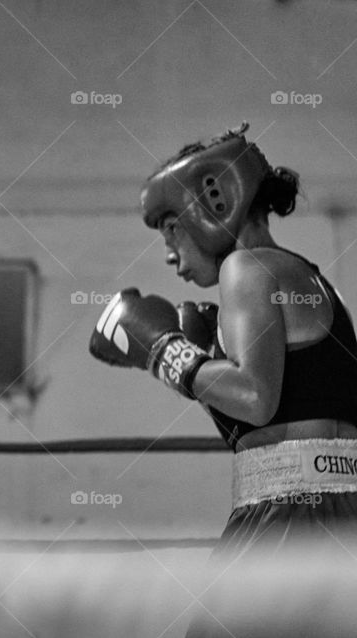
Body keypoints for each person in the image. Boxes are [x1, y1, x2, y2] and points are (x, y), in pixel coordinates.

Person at [88, 124, 357, 633]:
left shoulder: (246, 268)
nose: (169, 253)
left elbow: (255, 397)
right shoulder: (316, 281)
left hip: (291, 516)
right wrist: (207, 365)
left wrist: (166, 353)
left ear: (212, 205)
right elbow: (286, 421)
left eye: (170, 227)